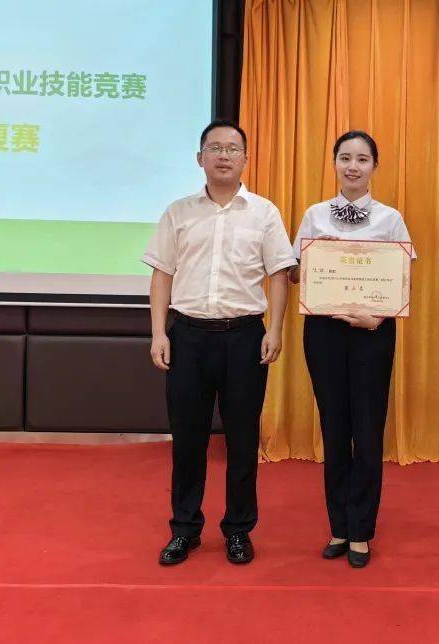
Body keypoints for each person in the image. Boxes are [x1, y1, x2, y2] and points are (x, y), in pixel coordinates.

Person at [143, 120, 295, 566]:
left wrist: (276, 328)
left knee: (243, 441)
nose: (224, 155)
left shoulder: (264, 212)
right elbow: (161, 274)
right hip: (187, 336)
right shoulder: (178, 212)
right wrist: (158, 332)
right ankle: (185, 529)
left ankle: (238, 529)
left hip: (245, 337)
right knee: (187, 439)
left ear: (246, 158)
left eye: (233, 148)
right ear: (200, 158)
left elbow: (280, 274)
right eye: (215, 148)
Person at [289, 130, 415, 568]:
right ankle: (338, 526)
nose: (353, 166)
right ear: (335, 164)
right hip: (323, 332)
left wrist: (378, 316)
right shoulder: (314, 215)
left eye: (362, 159)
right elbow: (294, 274)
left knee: (368, 428)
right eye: (345, 158)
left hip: (372, 332)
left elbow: (402, 277)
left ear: (374, 167)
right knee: (334, 427)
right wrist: (315, 259)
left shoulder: (390, 218)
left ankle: (362, 529)